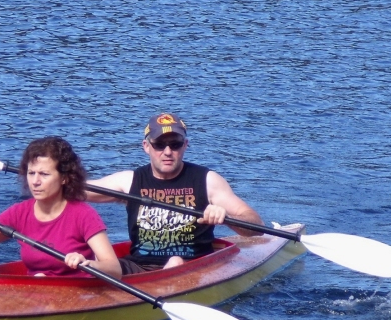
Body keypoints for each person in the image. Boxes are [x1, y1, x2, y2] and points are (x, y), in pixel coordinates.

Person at [87, 113, 264, 273]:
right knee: (96, 262)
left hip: (192, 268)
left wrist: (225, 218)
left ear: (185, 145)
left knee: (175, 261)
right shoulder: (129, 181)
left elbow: (256, 227)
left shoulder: (208, 181)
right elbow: (78, 191)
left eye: (175, 144)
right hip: (138, 267)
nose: (167, 152)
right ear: (146, 147)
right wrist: (60, 176)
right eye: (159, 145)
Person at [0, 136, 122, 279]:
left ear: (64, 178)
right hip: (37, 291)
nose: (35, 181)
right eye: (31, 173)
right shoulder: (19, 213)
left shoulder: (83, 214)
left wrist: (88, 264)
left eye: (44, 174)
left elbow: (114, 269)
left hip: (75, 293)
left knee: (37, 277)